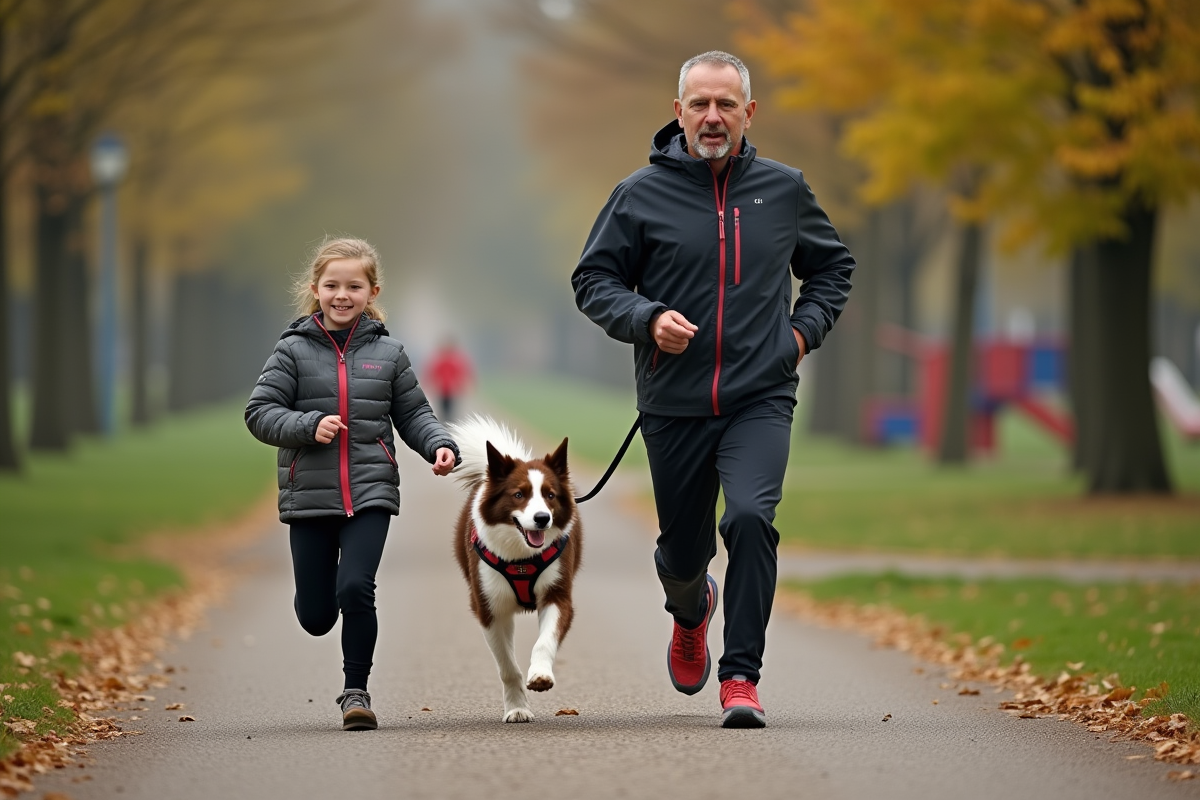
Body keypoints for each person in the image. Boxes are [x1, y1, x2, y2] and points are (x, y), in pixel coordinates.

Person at [571, 51, 854, 728]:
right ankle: (691, 608)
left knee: (751, 518)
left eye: (726, 104)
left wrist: (799, 337)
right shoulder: (638, 195)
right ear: (678, 112)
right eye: (699, 104)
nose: (712, 117)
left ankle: (741, 678)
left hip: (762, 394)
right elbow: (593, 281)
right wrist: (645, 320)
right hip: (674, 403)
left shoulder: (784, 190)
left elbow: (832, 268)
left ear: (748, 113)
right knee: (683, 552)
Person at [245, 237, 459, 731]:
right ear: (315, 289)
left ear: (372, 290)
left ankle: (356, 691)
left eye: (354, 286)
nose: (343, 295)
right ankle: (323, 621)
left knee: (357, 587)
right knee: (317, 616)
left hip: (370, 491)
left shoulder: (389, 353)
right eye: (332, 285)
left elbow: (416, 415)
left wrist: (439, 446)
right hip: (310, 497)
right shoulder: (292, 351)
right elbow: (259, 413)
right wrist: (306, 426)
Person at [427, 337, 473, 421]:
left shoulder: (455, 360)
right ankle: (445, 423)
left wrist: (463, 386)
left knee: (451, 411)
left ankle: (448, 423)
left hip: (452, 390)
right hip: (442, 390)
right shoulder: (440, 360)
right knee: (443, 410)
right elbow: (433, 374)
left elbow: (461, 374)